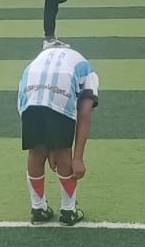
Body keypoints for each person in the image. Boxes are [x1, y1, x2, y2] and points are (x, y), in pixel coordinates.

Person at [17, 42, 98, 225]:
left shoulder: (36, 61)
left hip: (30, 87)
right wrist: (78, 158)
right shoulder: (87, 70)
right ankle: (69, 211)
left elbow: (23, 103)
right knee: (63, 151)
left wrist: (47, 145)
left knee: (36, 150)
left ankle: (38, 209)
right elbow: (85, 113)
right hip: (61, 89)